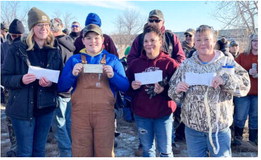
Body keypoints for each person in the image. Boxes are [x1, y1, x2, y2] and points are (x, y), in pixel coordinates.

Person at [168, 25, 250, 157]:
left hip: (219, 129)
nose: (202, 43)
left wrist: (226, 80)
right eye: (199, 40)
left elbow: (245, 86)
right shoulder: (186, 65)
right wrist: (177, 89)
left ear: (214, 41)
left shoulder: (226, 62)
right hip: (193, 130)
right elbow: (172, 90)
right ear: (194, 43)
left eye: (206, 39)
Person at [58, 24, 129, 157]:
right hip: (80, 116)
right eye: (88, 38)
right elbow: (61, 87)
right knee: (80, 150)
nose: (92, 41)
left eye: (96, 38)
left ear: (102, 39)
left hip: (105, 115)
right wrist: (72, 74)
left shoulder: (112, 60)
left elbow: (125, 87)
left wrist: (113, 76)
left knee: (104, 150)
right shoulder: (74, 60)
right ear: (83, 41)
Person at [1, 7, 63, 157]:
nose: (44, 28)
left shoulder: (55, 50)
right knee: (25, 151)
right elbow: (4, 77)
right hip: (22, 109)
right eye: (39, 25)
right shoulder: (17, 49)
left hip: (46, 108)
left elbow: (60, 79)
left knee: (39, 150)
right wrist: (21, 79)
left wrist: (51, 84)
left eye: (46, 25)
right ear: (32, 28)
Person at [126, 24, 178, 157]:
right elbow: (126, 89)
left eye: (153, 40)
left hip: (164, 114)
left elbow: (178, 91)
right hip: (142, 114)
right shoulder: (135, 64)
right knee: (147, 150)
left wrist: (164, 90)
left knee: (165, 152)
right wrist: (132, 87)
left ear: (160, 42)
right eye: (146, 41)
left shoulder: (170, 63)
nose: (149, 44)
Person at [50, 17, 75, 157]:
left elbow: (58, 68)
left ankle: (66, 152)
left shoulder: (56, 46)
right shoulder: (69, 43)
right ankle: (73, 148)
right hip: (69, 90)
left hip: (59, 89)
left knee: (59, 123)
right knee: (68, 121)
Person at [0, 18, 25, 157]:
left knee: (25, 117)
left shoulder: (26, 45)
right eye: (14, 35)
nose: (16, 38)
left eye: (19, 36)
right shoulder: (4, 46)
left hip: (24, 86)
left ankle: (23, 143)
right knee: (10, 117)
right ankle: (14, 145)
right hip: (9, 87)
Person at [234, 34, 258, 146]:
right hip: (243, 92)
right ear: (251, 42)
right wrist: (246, 73)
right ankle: (238, 141)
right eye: (254, 40)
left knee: (255, 117)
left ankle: (253, 142)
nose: (256, 43)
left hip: (258, 93)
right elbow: (232, 70)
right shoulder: (243, 56)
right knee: (240, 116)